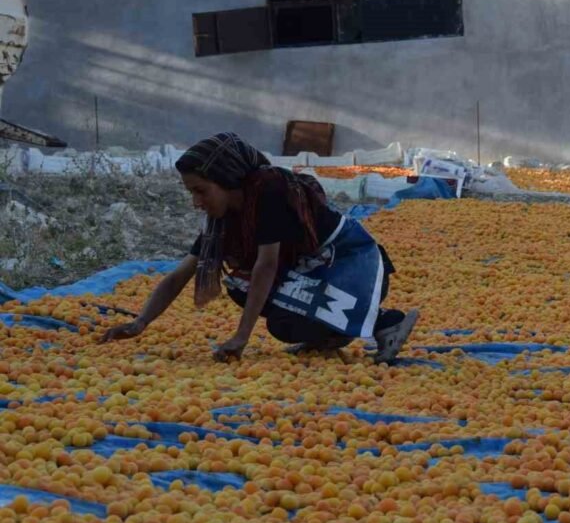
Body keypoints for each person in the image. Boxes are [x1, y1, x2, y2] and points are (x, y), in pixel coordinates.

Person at [99, 132, 418, 363]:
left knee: (269, 305)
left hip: (348, 264)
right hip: (313, 272)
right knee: (252, 296)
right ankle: (331, 335)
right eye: (191, 193)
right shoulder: (223, 219)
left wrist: (241, 337)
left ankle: (386, 321)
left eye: (201, 191)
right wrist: (140, 322)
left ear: (226, 179)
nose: (196, 202)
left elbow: (267, 265)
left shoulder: (269, 192)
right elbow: (181, 273)